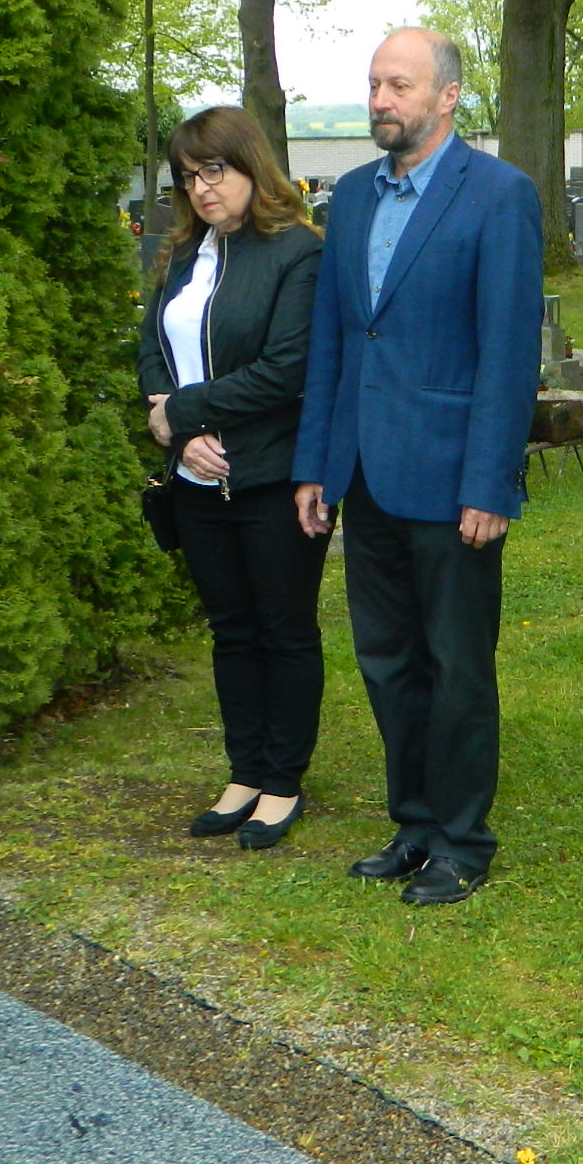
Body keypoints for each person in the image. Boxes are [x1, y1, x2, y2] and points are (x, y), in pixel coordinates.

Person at [294, 27, 543, 907]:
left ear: (447, 97)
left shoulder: (499, 195)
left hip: (450, 476)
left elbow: (508, 353)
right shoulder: (353, 198)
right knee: (387, 659)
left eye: (398, 85)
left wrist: (489, 482)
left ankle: (463, 842)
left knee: (456, 666)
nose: (380, 101)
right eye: (374, 84)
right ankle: (414, 823)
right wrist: (317, 465)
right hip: (366, 471)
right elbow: (334, 339)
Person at [136, 107, 332, 851]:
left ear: (252, 165)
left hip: (273, 477)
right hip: (195, 482)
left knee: (283, 630)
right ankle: (245, 771)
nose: (201, 188)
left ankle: (283, 780)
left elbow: (286, 370)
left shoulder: (297, 254)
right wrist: (180, 432)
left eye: (214, 170)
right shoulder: (185, 253)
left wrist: (182, 412)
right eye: (188, 176)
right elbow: (151, 348)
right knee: (231, 631)